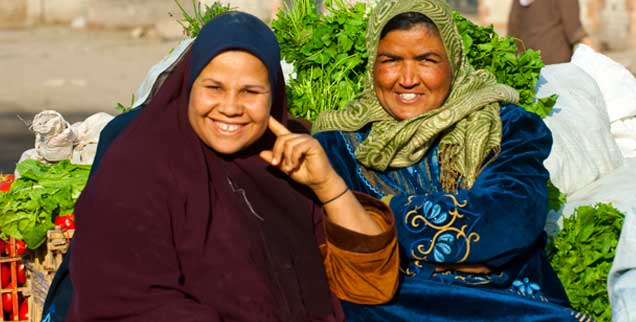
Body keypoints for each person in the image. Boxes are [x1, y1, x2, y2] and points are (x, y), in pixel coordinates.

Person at [65, 12, 399, 322]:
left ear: (274, 96)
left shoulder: (284, 160)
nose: (230, 108)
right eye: (213, 88)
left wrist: (327, 186)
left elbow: (370, 283)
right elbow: (130, 304)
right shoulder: (137, 167)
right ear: (188, 86)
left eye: (251, 92)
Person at [312, 0, 593, 321]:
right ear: (372, 65)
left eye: (426, 60)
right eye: (390, 60)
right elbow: (327, 240)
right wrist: (464, 247)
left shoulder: (506, 127)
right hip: (389, 305)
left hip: (507, 303)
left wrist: (378, 218)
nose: (407, 79)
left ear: (454, 62)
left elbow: (508, 218)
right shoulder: (339, 144)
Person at [507, 0, 593, 64]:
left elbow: (513, 27)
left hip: (529, 62)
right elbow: (573, 28)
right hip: (555, 60)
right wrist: (595, 55)